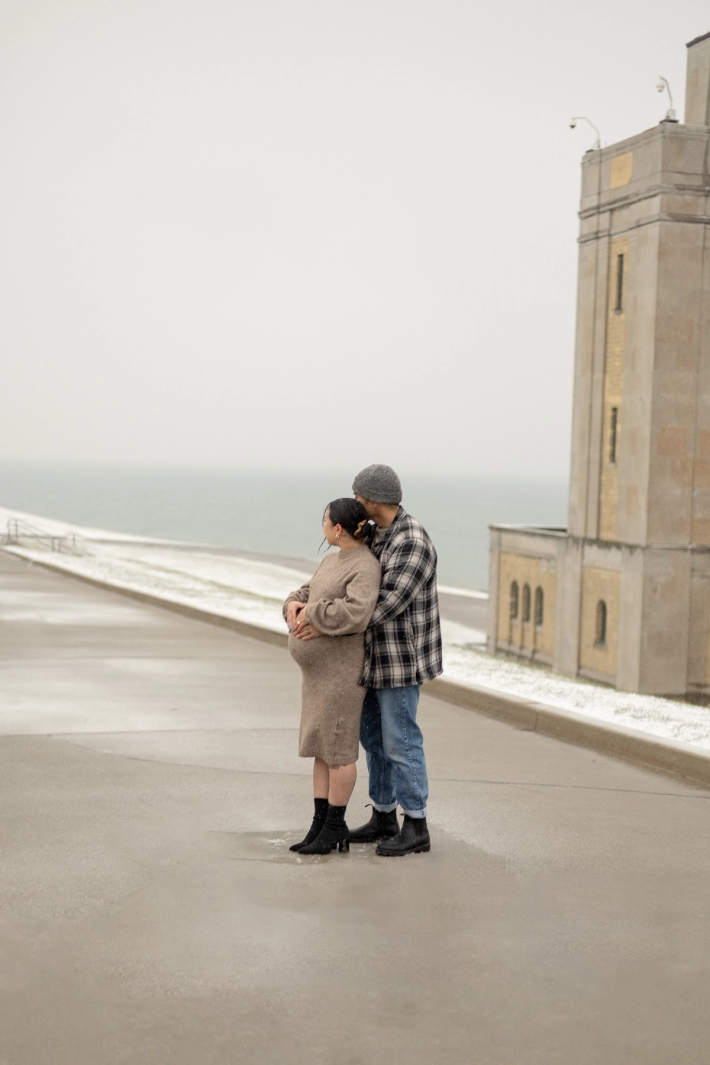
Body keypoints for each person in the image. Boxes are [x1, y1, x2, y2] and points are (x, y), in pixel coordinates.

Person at [349, 463, 442, 856]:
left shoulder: (412, 540)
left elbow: (387, 604)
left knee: (401, 742)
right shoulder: (373, 534)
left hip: (400, 661)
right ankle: (384, 815)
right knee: (373, 740)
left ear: (374, 498)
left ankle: (416, 823)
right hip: (371, 659)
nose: (354, 503)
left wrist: (332, 621)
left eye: (357, 497)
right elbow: (351, 576)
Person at [283, 498, 381, 855]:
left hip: (340, 673)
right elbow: (307, 592)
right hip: (317, 676)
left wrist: (314, 614)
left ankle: (336, 827)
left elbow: (357, 612)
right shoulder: (331, 560)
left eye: (324, 520)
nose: (322, 526)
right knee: (321, 748)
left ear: (337, 528)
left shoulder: (365, 566)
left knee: (339, 751)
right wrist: (293, 604)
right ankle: (319, 823)